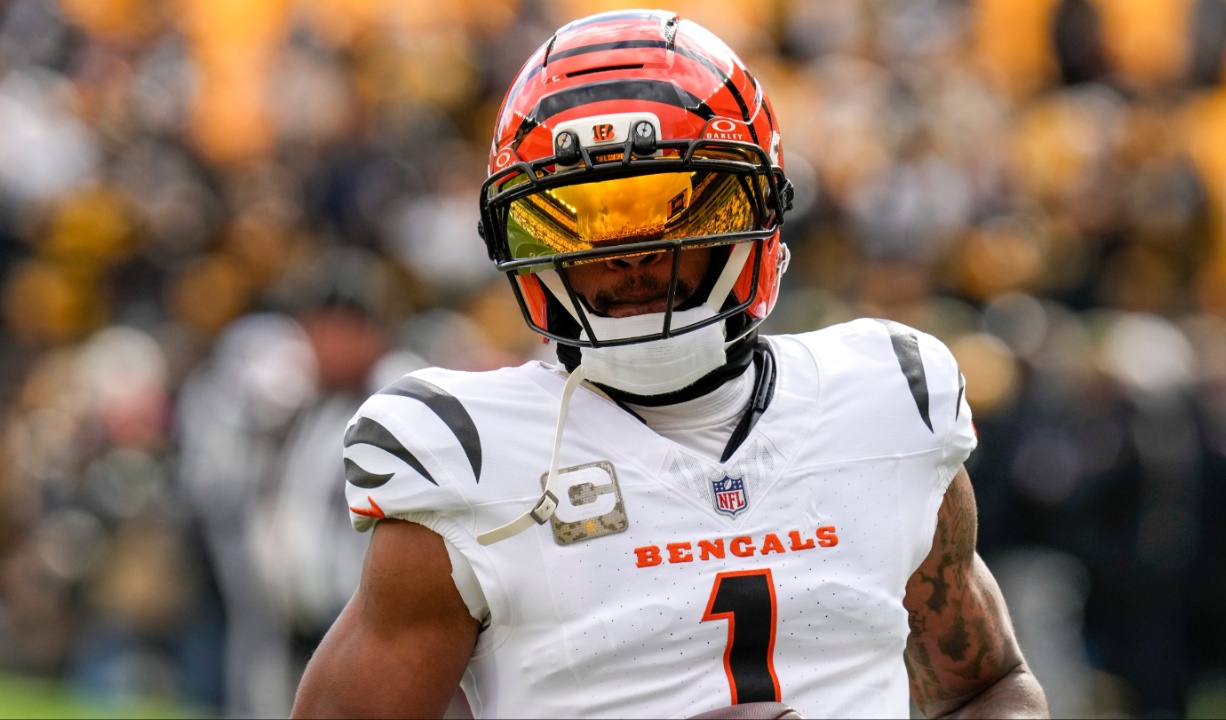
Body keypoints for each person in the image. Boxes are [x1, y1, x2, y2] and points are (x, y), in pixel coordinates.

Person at [292, 9, 1048, 719]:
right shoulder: (470, 454)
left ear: (758, 212)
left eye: (675, 206)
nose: (632, 255)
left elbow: (989, 688)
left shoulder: (886, 400)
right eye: (581, 218)